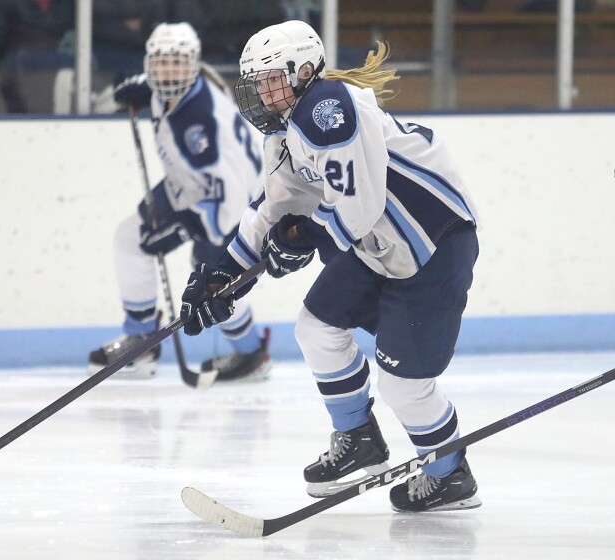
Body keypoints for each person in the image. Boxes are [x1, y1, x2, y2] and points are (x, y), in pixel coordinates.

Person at [179, 20, 481, 512]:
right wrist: (220, 275)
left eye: (273, 79)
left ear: (304, 71)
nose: (263, 93)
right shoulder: (285, 133)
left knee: (404, 386)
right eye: (258, 83)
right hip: (376, 245)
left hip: (432, 247)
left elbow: (356, 206)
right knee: (316, 327)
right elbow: (271, 209)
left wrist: (302, 237)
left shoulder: (327, 107)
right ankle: (358, 437)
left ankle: (450, 475)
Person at [88, 22, 272, 382]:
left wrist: (186, 225)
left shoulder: (204, 121)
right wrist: (140, 88)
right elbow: (156, 88)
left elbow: (231, 199)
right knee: (131, 237)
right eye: (161, 63)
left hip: (233, 206)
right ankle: (141, 340)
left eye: (177, 63)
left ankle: (253, 354)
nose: (169, 72)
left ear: (193, 65)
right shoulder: (170, 90)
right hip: (189, 187)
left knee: (213, 282)